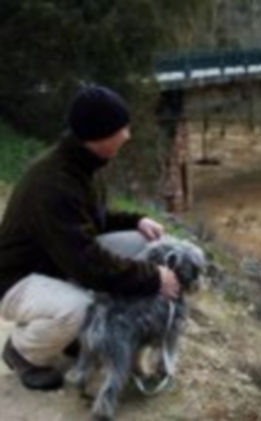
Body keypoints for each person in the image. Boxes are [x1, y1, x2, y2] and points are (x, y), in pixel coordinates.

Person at [0, 85, 180, 391]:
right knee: (80, 307)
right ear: (99, 136)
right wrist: (153, 278)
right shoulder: (55, 184)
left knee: (142, 243)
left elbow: (89, 220)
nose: (127, 135)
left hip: (55, 264)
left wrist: (136, 221)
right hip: (15, 281)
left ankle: (72, 335)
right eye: (121, 129)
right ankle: (23, 352)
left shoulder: (80, 164)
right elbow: (87, 264)